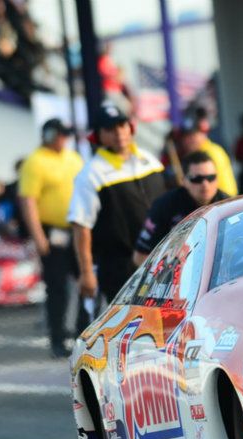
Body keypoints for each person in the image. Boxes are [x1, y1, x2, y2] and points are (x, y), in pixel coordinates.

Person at [69, 102, 167, 313]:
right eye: (110, 129)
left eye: (122, 125)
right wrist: (86, 273)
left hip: (163, 262)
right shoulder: (91, 174)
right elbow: (81, 226)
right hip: (120, 269)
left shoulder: (149, 160)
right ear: (97, 135)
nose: (119, 133)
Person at [18, 118, 84, 357]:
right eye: (59, 135)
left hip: (76, 229)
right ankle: (58, 338)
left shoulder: (72, 158)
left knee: (86, 282)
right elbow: (28, 201)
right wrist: (38, 237)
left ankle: (83, 332)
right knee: (57, 287)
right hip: (51, 231)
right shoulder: (35, 162)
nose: (63, 140)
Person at [133, 150, 229, 265]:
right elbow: (140, 257)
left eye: (211, 177)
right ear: (183, 181)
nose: (205, 184)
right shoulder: (164, 206)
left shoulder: (228, 205)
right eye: (196, 179)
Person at [179, 119, 238, 196]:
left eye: (193, 135)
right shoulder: (206, 150)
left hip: (223, 200)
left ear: (203, 134)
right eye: (186, 137)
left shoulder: (211, 152)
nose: (188, 141)